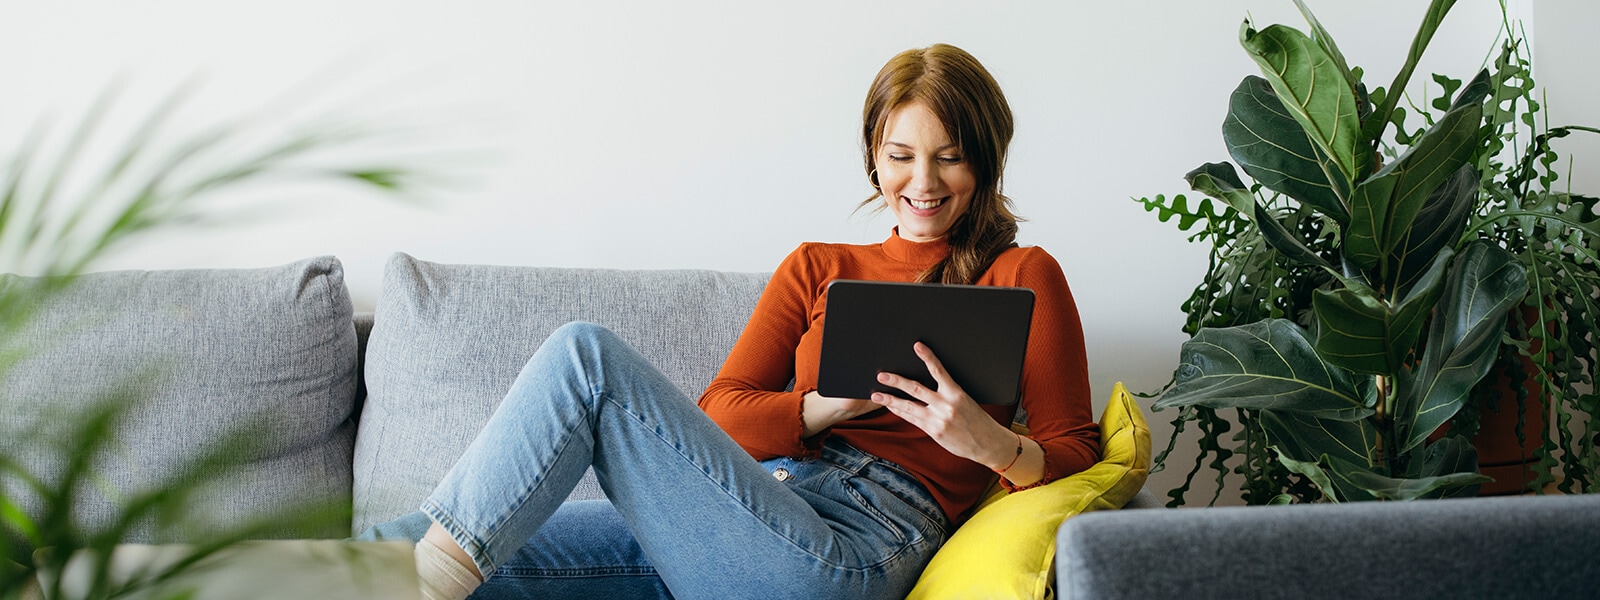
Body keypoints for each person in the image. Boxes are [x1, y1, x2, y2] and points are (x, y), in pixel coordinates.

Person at [360, 43, 1100, 600]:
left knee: (585, 360)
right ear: (874, 160)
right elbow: (721, 413)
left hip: (862, 544)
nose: (924, 182)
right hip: (748, 512)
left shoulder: (1023, 274)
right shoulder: (818, 266)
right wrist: (821, 408)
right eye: (900, 155)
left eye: (950, 159)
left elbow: (1074, 450)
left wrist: (993, 445)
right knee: (425, 548)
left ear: (986, 161)